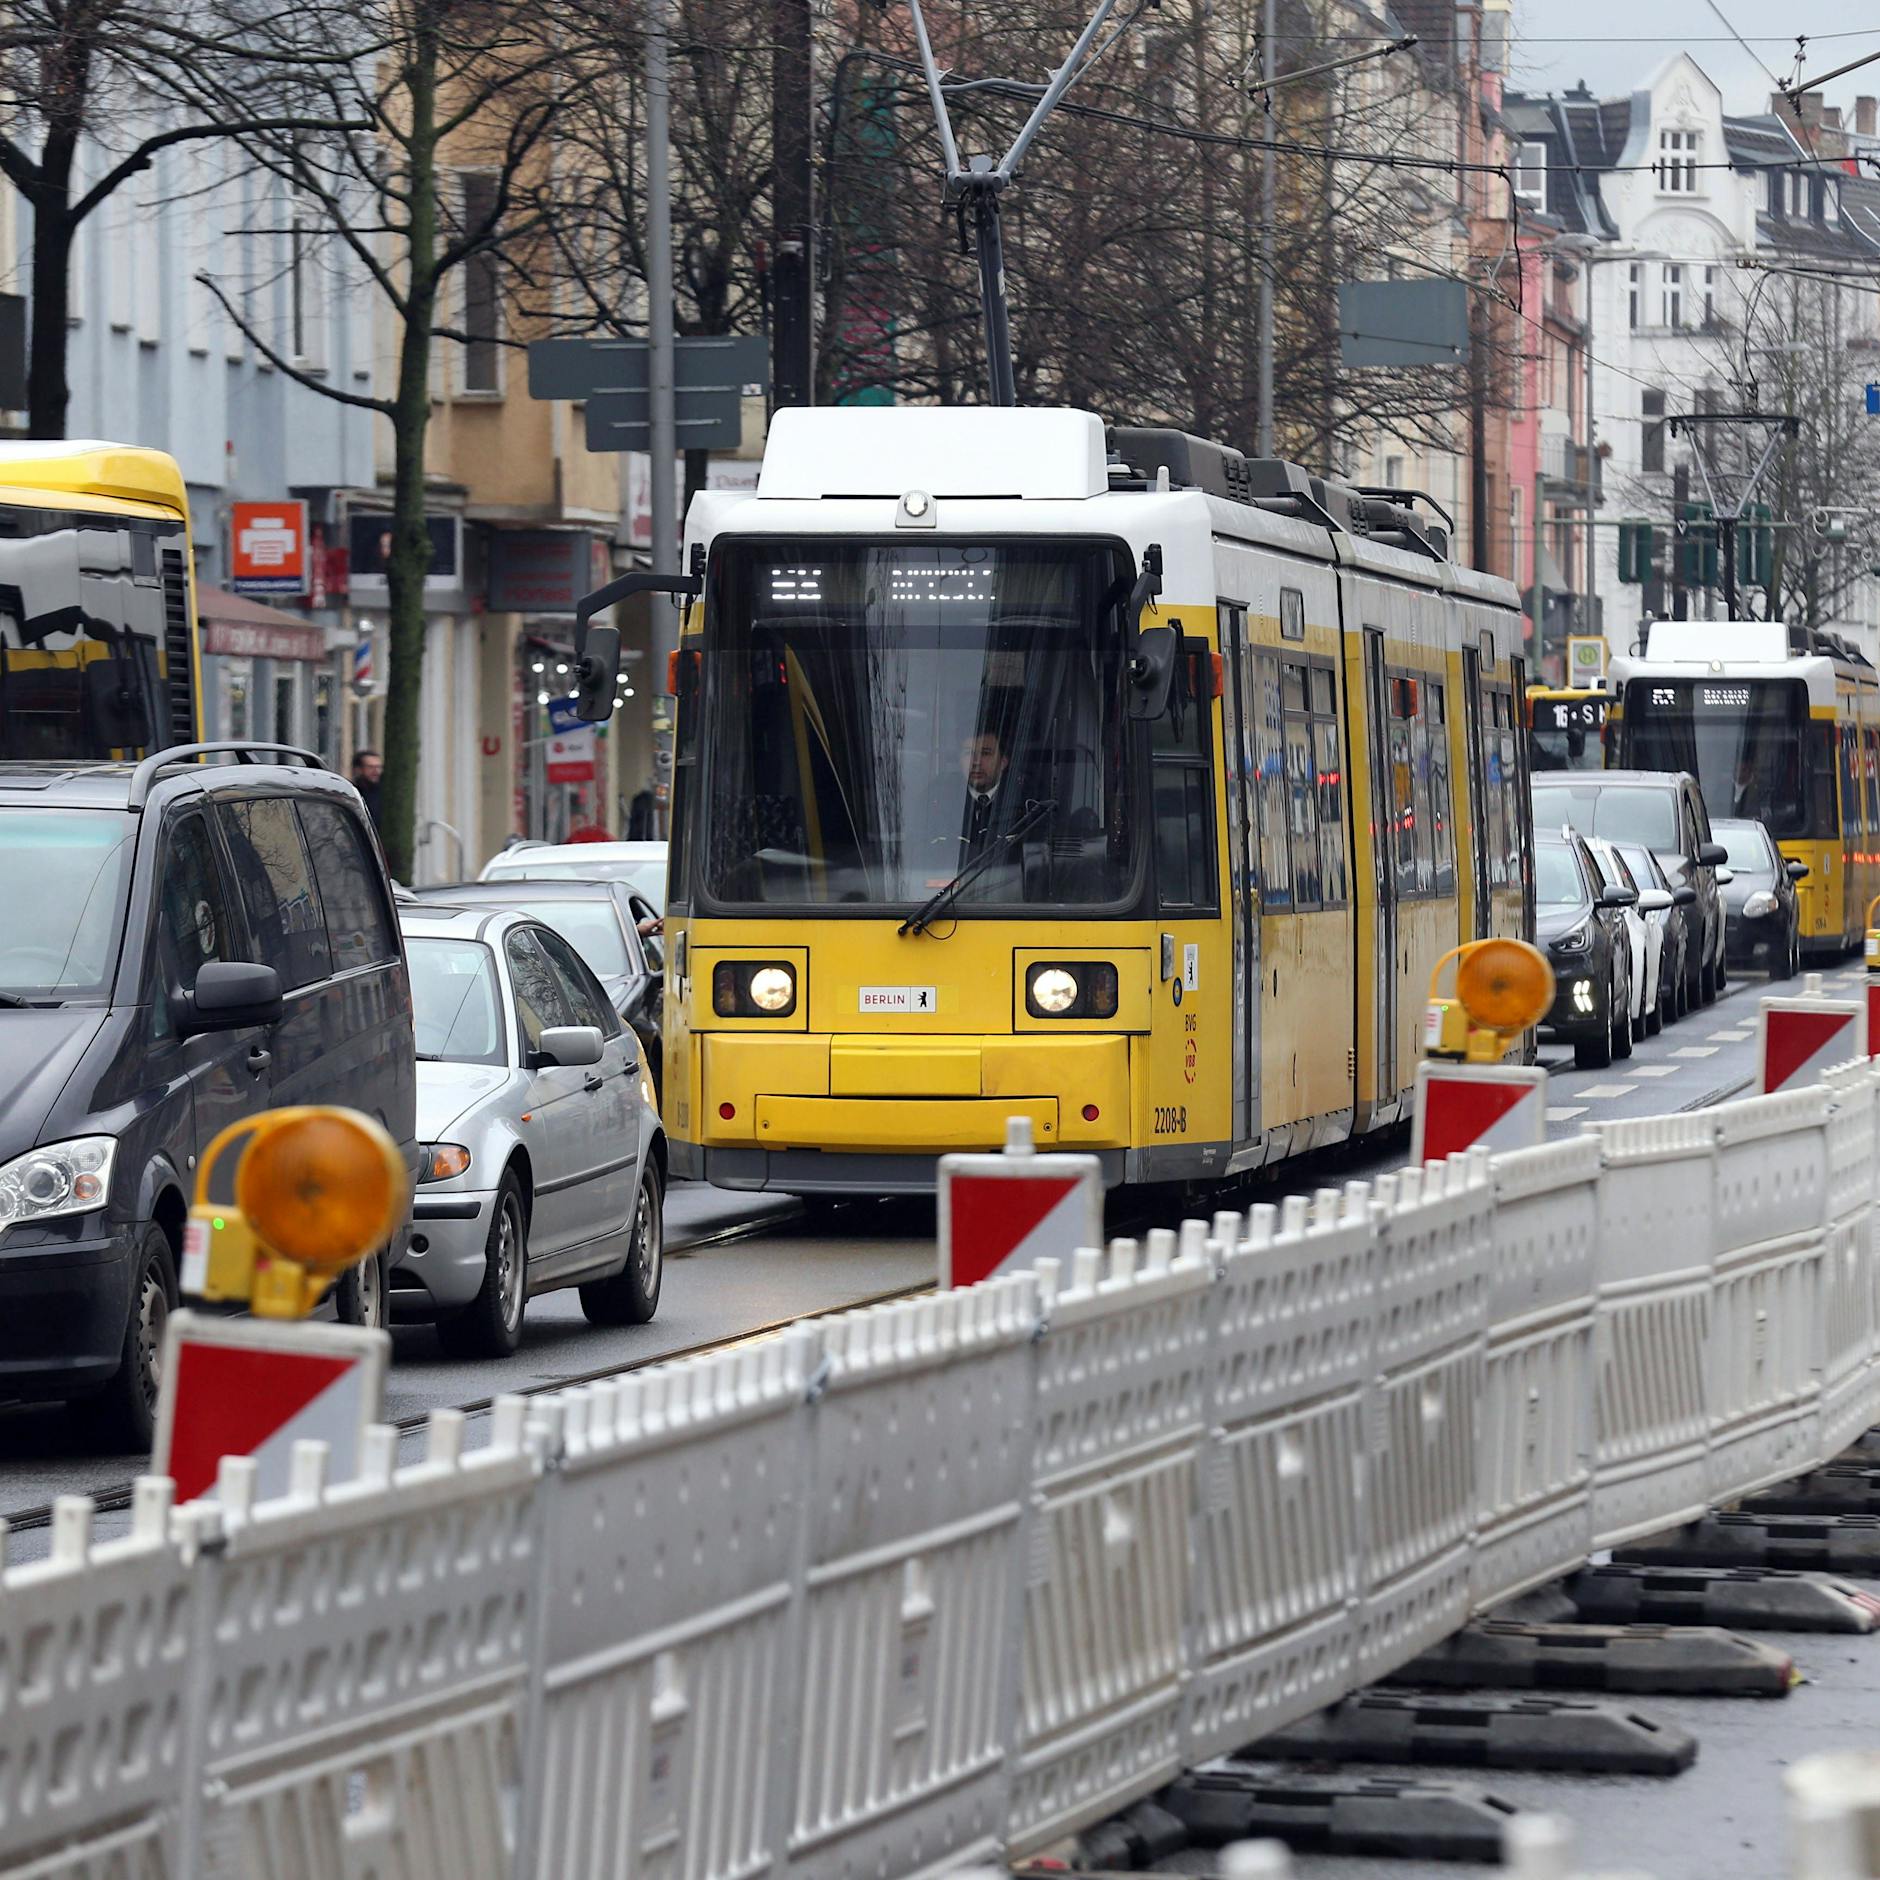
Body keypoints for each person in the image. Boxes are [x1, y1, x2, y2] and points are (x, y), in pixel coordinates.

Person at [959, 729, 1010, 855]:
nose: (975, 762)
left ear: (1003, 762)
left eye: (985, 753)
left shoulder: (1023, 800)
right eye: (968, 753)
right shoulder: (937, 801)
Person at [350, 748, 384, 832]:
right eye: (370, 767)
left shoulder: (384, 794)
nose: (376, 771)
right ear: (358, 769)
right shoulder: (351, 792)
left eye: (378, 767)